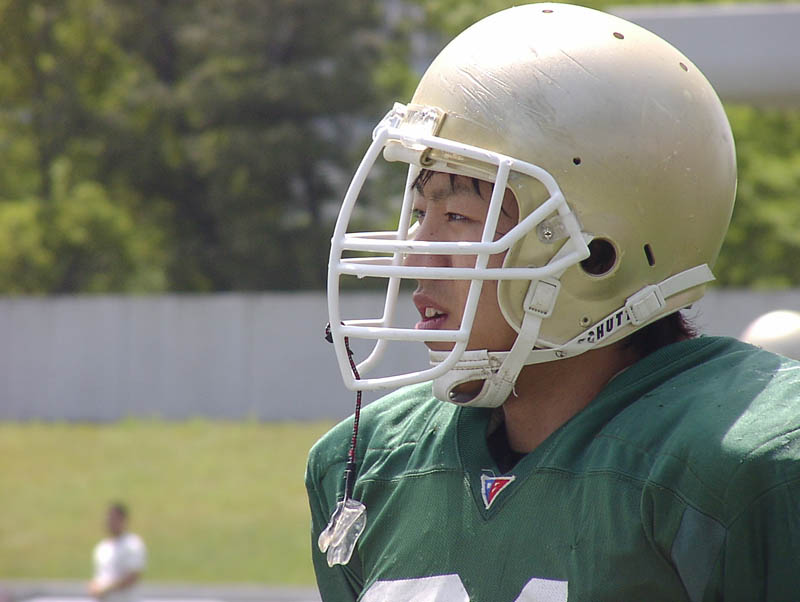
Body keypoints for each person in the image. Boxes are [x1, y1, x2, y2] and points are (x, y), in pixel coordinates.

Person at [306, 3, 800, 600]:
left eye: (459, 216)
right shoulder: (368, 465)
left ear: (597, 256)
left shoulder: (751, 467)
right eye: (418, 211)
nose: (416, 253)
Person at [88, 502, 146, 602]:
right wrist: (93, 586)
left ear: (123, 520)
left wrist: (107, 588)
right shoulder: (102, 547)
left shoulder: (132, 544)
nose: (110, 522)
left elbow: (133, 576)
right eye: (108, 518)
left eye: (114, 518)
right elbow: (100, 575)